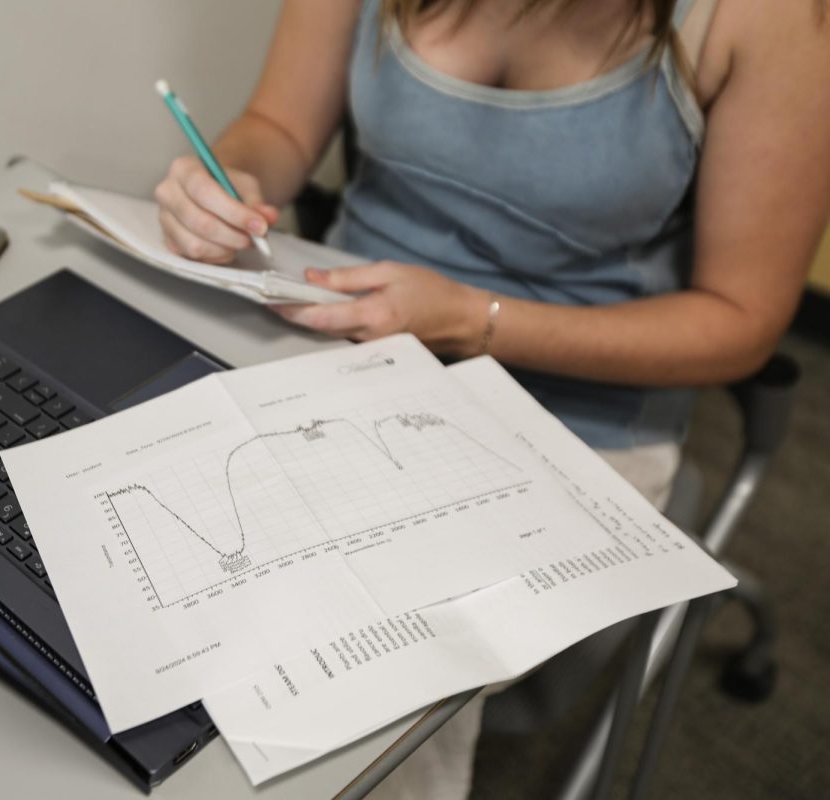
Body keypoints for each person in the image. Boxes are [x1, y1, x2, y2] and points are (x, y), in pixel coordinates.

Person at [154, 0, 830, 796]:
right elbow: (280, 123)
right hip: (337, 336)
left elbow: (740, 322)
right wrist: (229, 177)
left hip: (575, 400)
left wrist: (476, 322)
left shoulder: (770, 19)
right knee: (176, 563)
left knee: (372, 674)